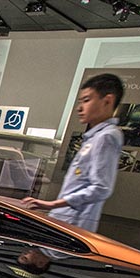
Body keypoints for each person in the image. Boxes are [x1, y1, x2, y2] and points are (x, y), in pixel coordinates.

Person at [20, 73, 124, 232]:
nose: (79, 108)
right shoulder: (95, 137)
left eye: (87, 100)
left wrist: (53, 204)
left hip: (75, 222)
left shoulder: (107, 137)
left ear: (107, 101)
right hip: (66, 219)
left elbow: (101, 187)